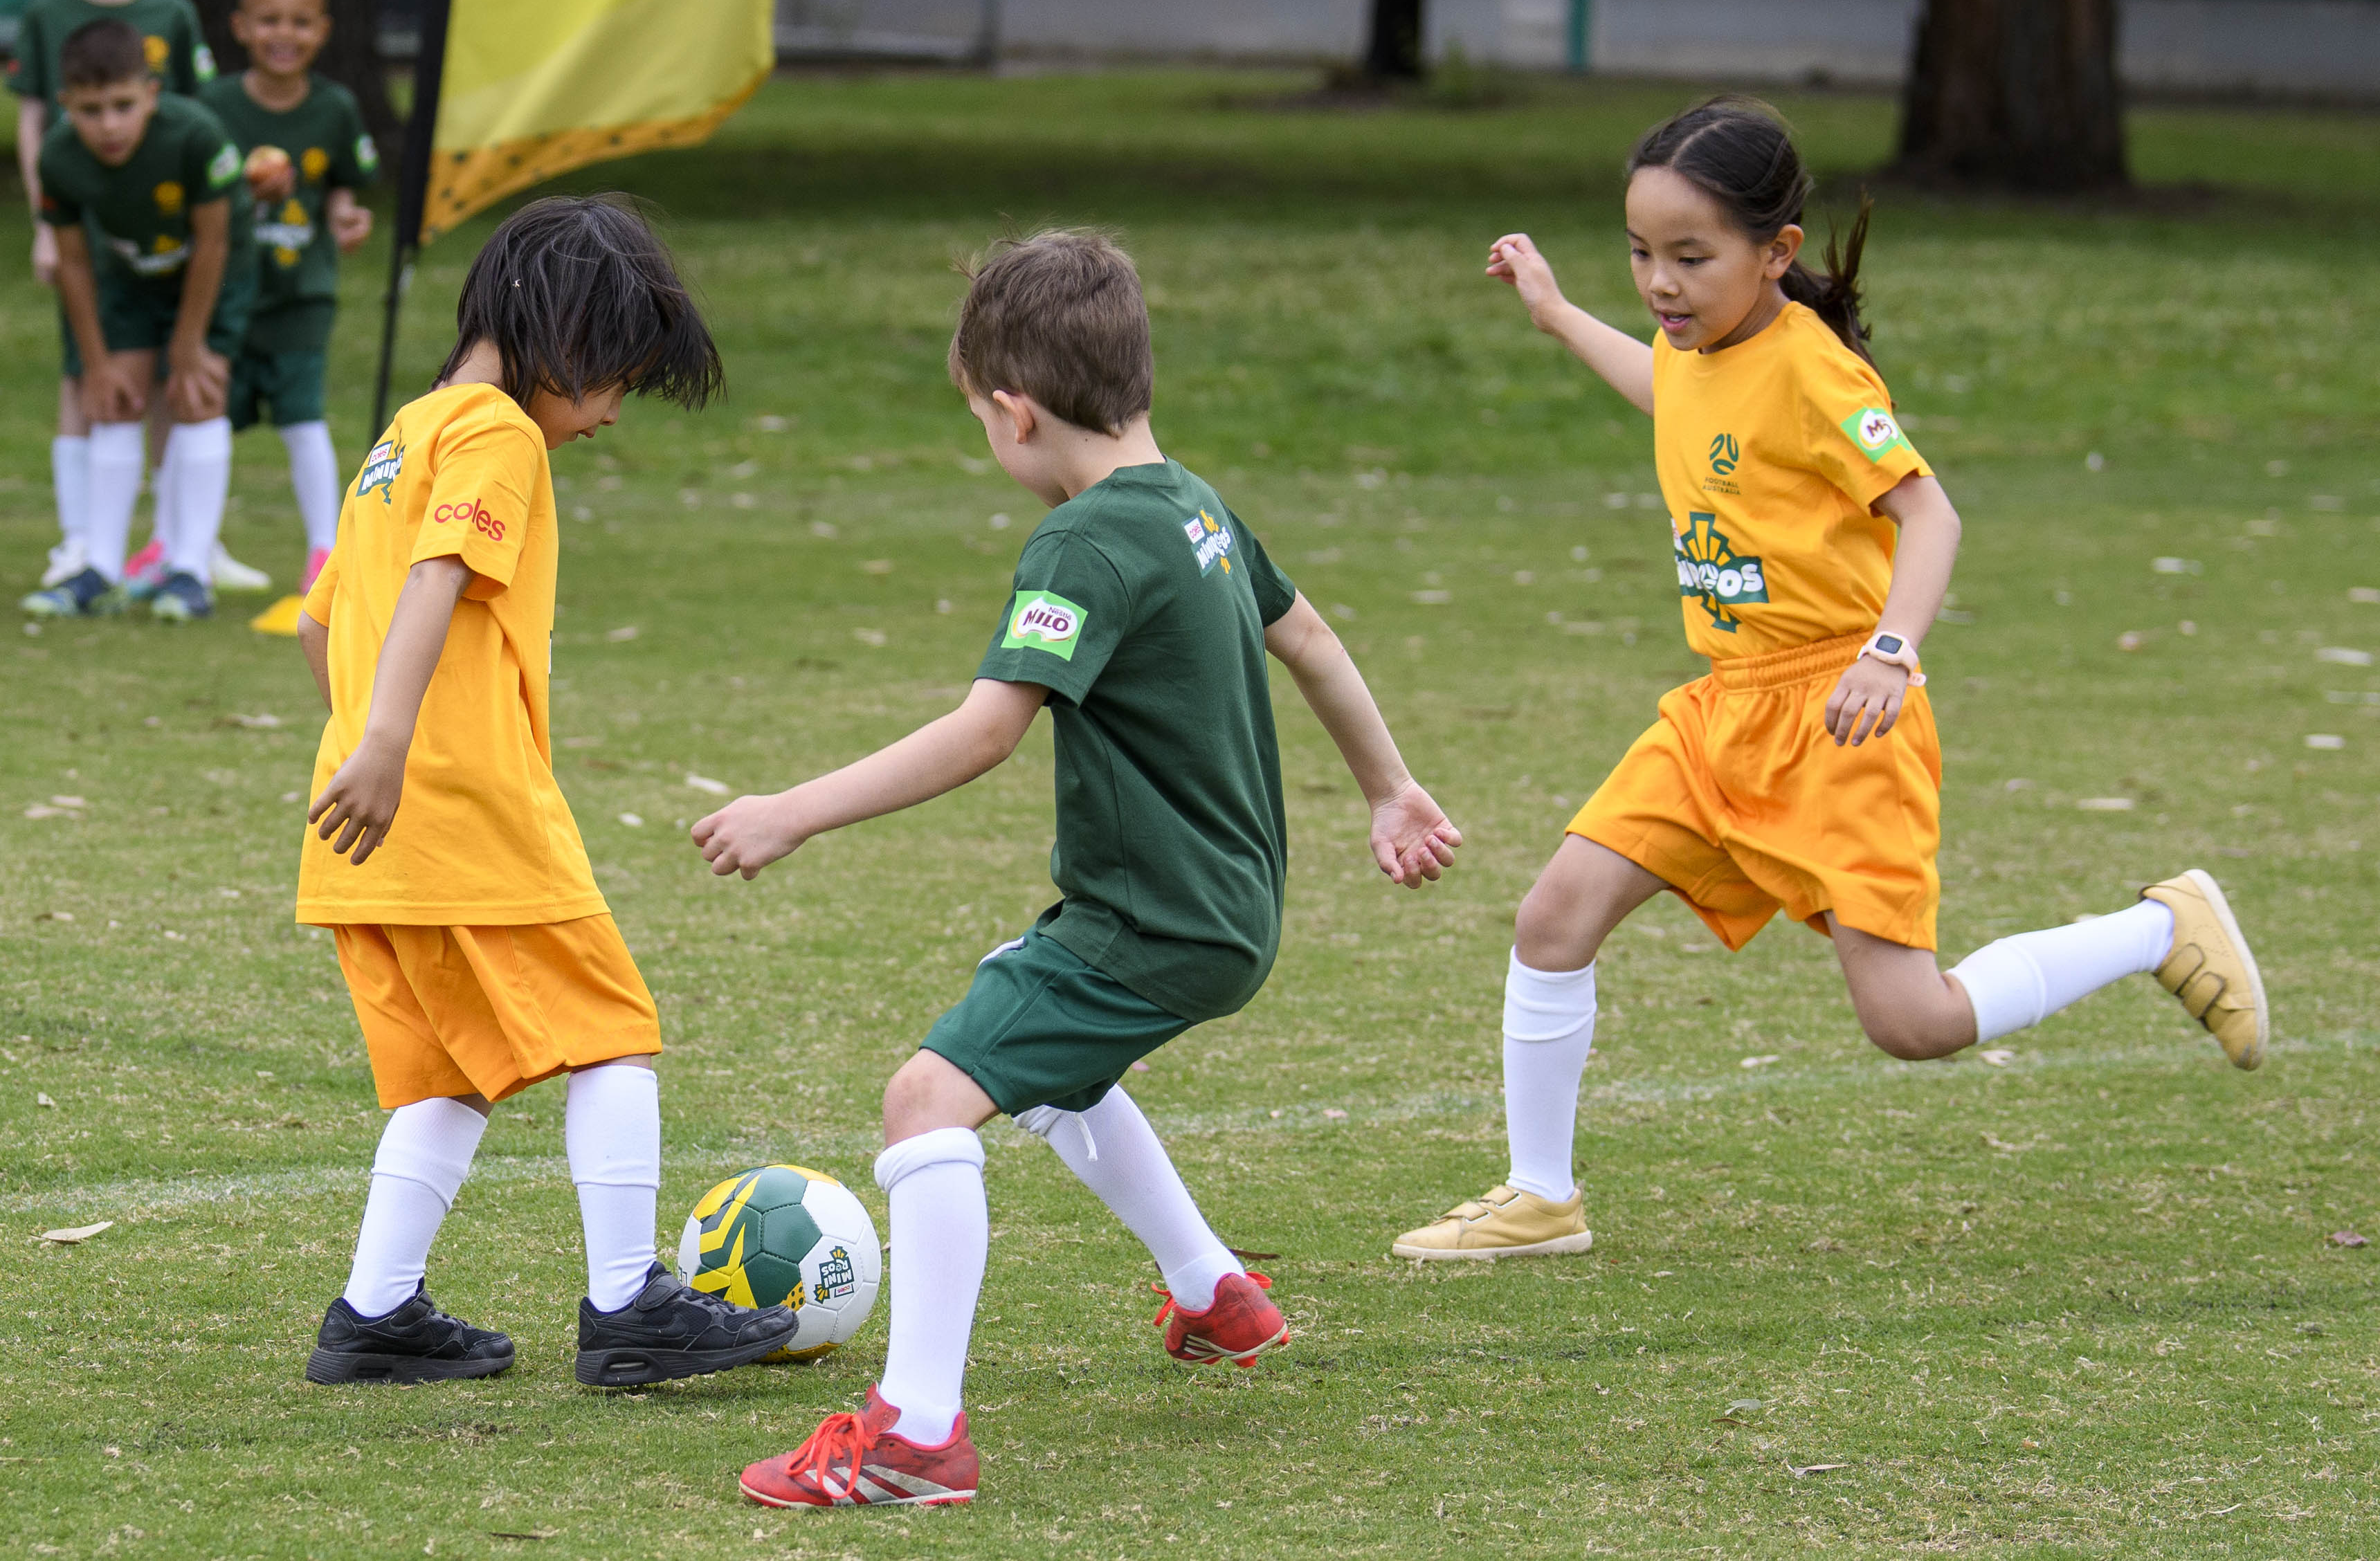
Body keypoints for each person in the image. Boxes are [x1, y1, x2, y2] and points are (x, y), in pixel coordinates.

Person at [1391, 98, 2269, 1263]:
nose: (1658, 282)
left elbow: (1928, 511)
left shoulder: (1812, 370)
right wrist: (1556, 315)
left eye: (1689, 257)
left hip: (1840, 715)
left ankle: (2155, 926)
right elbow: (1668, 386)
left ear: (1777, 252)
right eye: (1640, 254)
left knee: (1911, 1022)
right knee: (1553, 916)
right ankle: (1539, 1195)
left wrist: (1888, 650)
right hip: (1718, 709)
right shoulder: (1698, 345)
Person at [698, 231, 1462, 1508]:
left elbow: (984, 729)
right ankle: (1212, 1290)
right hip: (1224, 907)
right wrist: (1387, 786)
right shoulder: (1194, 504)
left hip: (1149, 917)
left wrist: (792, 810)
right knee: (1037, 1049)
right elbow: (1312, 637)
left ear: (1013, 410)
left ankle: (912, 1434)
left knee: (926, 1102)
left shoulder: (1082, 546)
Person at [292, 196, 798, 1387]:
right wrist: (399, 742)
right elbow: (438, 575)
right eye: (617, 377)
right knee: (611, 1032)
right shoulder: (496, 435)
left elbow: (322, 624)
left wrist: (361, 745)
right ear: (562, 334)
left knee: (450, 1071)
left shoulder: (400, 434)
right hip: (466, 804)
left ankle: (374, 1314)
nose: (614, 409)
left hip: (367, 827)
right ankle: (629, 1304)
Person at [19, 17, 251, 623]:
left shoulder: (196, 135)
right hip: (127, 272)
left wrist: (189, 344)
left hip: (211, 271)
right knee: (114, 399)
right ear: (66, 104)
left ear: (151, 91)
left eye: (123, 105)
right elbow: (71, 262)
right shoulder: (59, 157)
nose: (110, 125)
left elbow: (214, 246)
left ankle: (190, 571)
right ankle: (97, 568)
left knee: (197, 393)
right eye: (91, 110)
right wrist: (94, 364)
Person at [201, 0, 376, 605]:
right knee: (210, 421)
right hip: (227, 295)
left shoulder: (334, 108)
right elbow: (203, 195)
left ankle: (325, 552)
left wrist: (347, 219)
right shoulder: (214, 106)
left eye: (300, 22)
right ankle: (196, 546)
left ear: (323, 32)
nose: (285, 34)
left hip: (303, 293)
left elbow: (340, 189)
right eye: (269, 20)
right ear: (241, 26)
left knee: (303, 418)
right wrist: (244, 196)